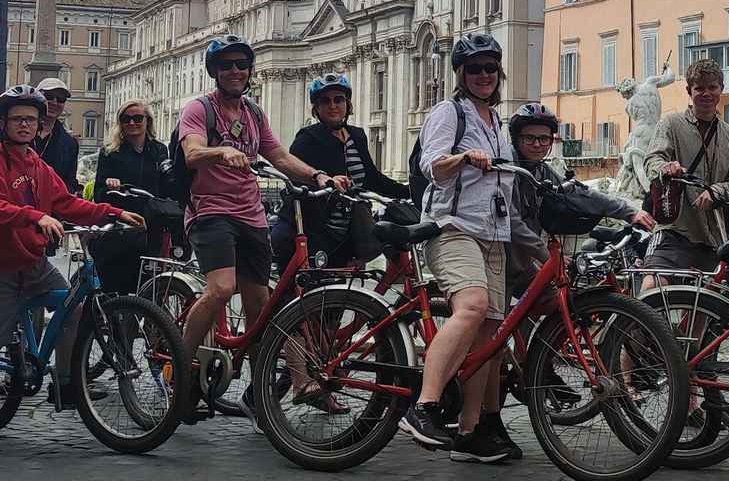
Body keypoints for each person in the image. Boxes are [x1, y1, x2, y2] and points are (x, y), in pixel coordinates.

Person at [177, 35, 349, 418]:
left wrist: (319, 176)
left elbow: (280, 156)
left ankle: (260, 398)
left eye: (241, 64)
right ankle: (181, 366)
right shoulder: (198, 110)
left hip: (251, 214)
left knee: (260, 307)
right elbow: (191, 152)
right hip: (210, 210)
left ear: (250, 71)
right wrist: (220, 150)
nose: (235, 71)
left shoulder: (254, 113)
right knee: (221, 288)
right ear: (215, 72)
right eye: (227, 65)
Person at [400, 33, 519, 462]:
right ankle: (425, 405)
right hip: (451, 227)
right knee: (471, 306)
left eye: (490, 67)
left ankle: (471, 432)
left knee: (490, 334)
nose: (484, 75)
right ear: (460, 74)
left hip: (494, 233)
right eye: (474, 68)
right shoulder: (448, 113)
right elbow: (432, 165)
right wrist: (464, 157)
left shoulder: (496, 121)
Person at [0, 84, 145, 404]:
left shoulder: (38, 164)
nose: (24, 124)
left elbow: (67, 202)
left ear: (39, 124)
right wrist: (35, 217)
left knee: (74, 309)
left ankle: (65, 384)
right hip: (5, 266)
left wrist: (114, 212)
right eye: (16, 119)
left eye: (30, 119)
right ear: (4, 124)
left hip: (34, 264)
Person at [507, 101, 654, 298]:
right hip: (499, 262)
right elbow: (512, 222)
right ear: (516, 138)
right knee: (495, 323)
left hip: (522, 263)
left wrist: (631, 212)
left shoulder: (542, 171)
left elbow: (580, 193)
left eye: (543, 139)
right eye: (529, 138)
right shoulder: (508, 170)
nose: (537, 144)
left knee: (556, 303)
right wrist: (548, 256)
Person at [273, 73, 409, 270]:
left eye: (339, 99)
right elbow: (294, 176)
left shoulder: (357, 136)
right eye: (325, 101)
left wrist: (409, 191)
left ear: (348, 104)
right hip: (311, 231)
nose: (333, 105)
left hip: (345, 232)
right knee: (310, 293)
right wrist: (325, 179)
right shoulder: (307, 138)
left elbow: (372, 178)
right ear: (316, 108)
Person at [639, 58, 729, 281]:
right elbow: (651, 160)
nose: (706, 93)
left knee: (704, 307)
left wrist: (716, 192)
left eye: (712, 87)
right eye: (699, 88)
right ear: (689, 90)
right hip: (674, 229)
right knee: (652, 286)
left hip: (713, 236)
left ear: (721, 89)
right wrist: (666, 168)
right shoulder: (671, 124)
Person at [92, 100, 171, 294]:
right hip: (121, 228)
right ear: (120, 123)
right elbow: (98, 194)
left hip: (151, 225)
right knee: (117, 285)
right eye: (126, 119)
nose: (132, 123)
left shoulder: (159, 150)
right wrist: (110, 185)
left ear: (147, 121)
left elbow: (166, 186)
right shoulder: (110, 152)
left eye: (138, 118)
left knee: (150, 284)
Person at [34, 77, 81, 195]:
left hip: (52, 206)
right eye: (49, 96)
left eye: (60, 99)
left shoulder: (70, 143)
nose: (54, 102)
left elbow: (69, 182)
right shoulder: (18, 131)